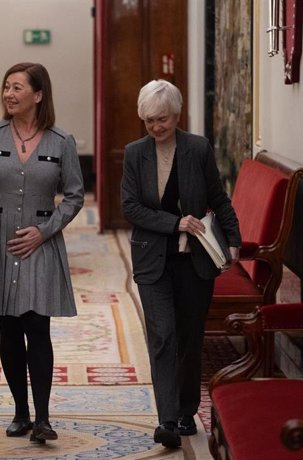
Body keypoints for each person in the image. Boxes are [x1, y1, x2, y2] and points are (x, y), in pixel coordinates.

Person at [0, 62, 84, 443]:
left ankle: (43, 418)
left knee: (37, 326)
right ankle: (20, 412)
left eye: (17, 88)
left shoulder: (62, 141)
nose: (9, 95)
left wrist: (44, 232)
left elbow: (75, 195)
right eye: (6, 88)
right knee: (8, 328)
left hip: (40, 246)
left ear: (38, 94)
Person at [120, 79, 241, 449]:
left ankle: (187, 411)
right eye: (149, 121)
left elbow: (218, 198)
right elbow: (131, 207)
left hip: (195, 262)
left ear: (177, 115)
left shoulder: (197, 149)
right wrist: (175, 223)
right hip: (152, 260)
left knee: (190, 339)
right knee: (162, 337)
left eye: (163, 120)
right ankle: (167, 420)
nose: (156, 128)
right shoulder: (134, 153)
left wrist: (233, 240)